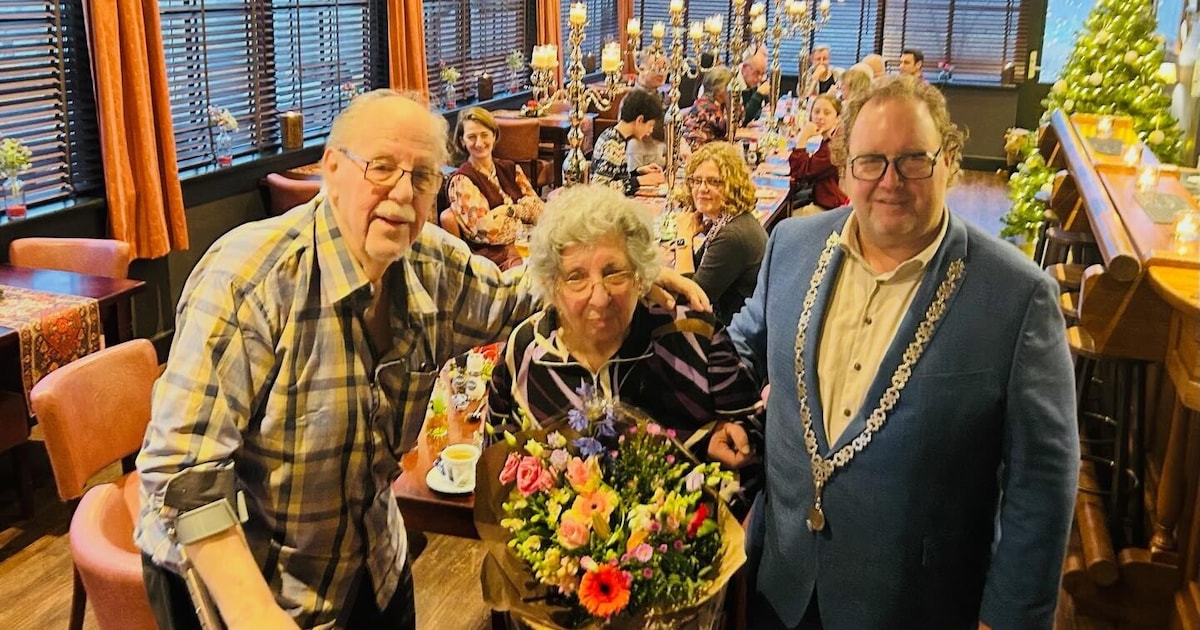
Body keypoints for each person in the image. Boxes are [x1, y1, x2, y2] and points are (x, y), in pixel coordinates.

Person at [136, 89, 709, 630]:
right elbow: (182, 477)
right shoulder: (249, 281)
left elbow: (518, 296)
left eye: (423, 176)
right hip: (249, 586)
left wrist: (627, 274)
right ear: (332, 169)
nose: (403, 192)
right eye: (381, 167)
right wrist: (257, 618)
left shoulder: (429, 261)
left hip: (370, 562)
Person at [712, 76, 1079, 629]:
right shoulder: (790, 245)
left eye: (913, 160)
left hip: (915, 602)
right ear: (844, 168)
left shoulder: (1017, 297)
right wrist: (710, 391)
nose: (890, 181)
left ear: (949, 160)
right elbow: (744, 343)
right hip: (782, 581)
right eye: (870, 162)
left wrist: (1010, 619)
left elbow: (1043, 483)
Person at [486, 184, 762, 474]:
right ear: (553, 286)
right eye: (576, 277)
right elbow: (499, 470)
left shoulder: (692, 336)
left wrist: (713, 446)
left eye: (614, 273)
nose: (600, 298)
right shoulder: (526, 352)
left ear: (640, 275)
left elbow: (752, 435)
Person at [676, 142, 767, 325]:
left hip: (733, 340)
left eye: (714, 181)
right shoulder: (727, 222)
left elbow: (688, 302)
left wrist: (683, 240)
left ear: (732, 186)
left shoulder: (733, 236)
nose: (702, 188)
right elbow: (696, 274)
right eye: (697, 180)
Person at [445, 107, 543, 269]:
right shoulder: (461, 181)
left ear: (494, 135)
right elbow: (486, 231)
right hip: (495, 258)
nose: (479, 143)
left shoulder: (511, 168)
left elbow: (540, 212)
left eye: (484, 135)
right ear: (462, 141)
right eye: (471, 137)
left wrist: (508, 211)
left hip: (529, 244)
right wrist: (524, 212)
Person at [591, 88, 665, 195]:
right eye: (650, 125)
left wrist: (638, 172)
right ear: (639, 120)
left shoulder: (613, 135)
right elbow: (599, 188)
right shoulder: (613, 144)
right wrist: (641, 181)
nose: (650, 131)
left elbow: (615, 176)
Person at [787, 93, 849, 214]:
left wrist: (803, 137)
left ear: (838, 118)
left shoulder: (833, 146)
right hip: (822, 200)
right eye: (816, 112)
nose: (820, 117)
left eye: (827, 113)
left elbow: (801, 172)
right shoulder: (830, 140)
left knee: (783, 219)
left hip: (831, 208)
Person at [627, 52, 668, 173]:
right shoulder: (633, 100)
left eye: (664, 68)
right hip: (643, 166)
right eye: (655, 68)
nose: (661, 73)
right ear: (641, 68)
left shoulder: (661, 96)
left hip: (662, 160)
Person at [681, 66, 733, 149]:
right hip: (699, 151)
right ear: (720, 89)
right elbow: (728, 131)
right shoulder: (708, 107)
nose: (732, 91)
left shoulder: (712, 103)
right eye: (730, 87)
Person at [737, 46, 772, 124]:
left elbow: (759, 112)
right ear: (744, 68)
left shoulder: (753, 82)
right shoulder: (734, 83)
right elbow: (741, 120)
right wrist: (759, 94)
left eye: (762, 73)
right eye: (756, 73)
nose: (760, 78)